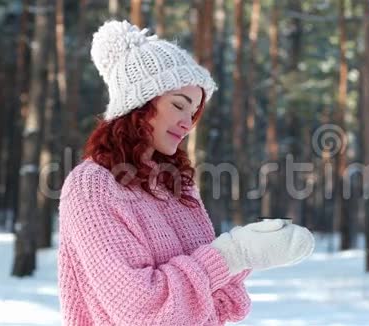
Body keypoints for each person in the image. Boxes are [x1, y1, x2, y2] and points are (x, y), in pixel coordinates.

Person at [57, 20, 315, 326]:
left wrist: (247, 252)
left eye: (193, 112)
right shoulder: (92, 186)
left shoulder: (175, 185)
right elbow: (142, 311)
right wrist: (233, 254)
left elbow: (227, 302)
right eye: (179, 104)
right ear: (137, 103)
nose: (187, 122)